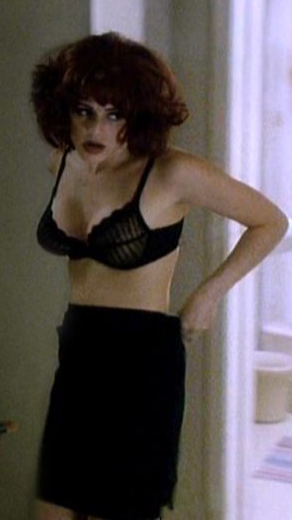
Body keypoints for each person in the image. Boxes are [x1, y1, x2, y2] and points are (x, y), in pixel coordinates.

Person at [32, 32, 288, 520]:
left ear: (138, 114)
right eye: (85, 111)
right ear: (63, 108)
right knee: (51, 511)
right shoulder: (63, 163)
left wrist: (209, 293)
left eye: (115, 115)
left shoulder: (172, 174)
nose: (97, 128)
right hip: (79, 356)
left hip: (141, 365)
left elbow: (271, 221)